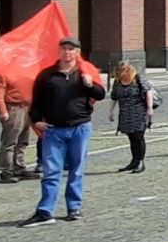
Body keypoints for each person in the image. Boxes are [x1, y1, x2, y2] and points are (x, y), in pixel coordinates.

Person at [20, 38, 105, 226]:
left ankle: (74, 207)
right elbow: (37, 102)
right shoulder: (47, 76)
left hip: (80, 128)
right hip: (54, 130)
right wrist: (36, 121)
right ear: (59, 52)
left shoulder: (84, 74)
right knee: (51, 171)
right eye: (64, 49)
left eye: (71, 49)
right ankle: (45, 211)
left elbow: (100, 94)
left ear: (77, 52)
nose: (67, 53)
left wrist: (90, 85)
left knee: (77, 170)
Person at [108, 62, 156, 174]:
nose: (120, 75)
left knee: (139, 137)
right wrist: (110, 111)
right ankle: (134, 161)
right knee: (131, 137)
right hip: (125, 114)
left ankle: (140, 162)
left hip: (139, 113)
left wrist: (149, 108)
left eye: (121, 72)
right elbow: (114, 97)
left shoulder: (138, 79)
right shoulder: (118, 82)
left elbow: (148, 91)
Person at [0, 73, 34, 182]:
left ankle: (18, 166)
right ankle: (6, 171)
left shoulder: (25, 70)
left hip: (27, 107)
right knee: (10, 141)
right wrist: (2, 110)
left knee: (23, 140)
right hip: (13, 107)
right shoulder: (3, 72)